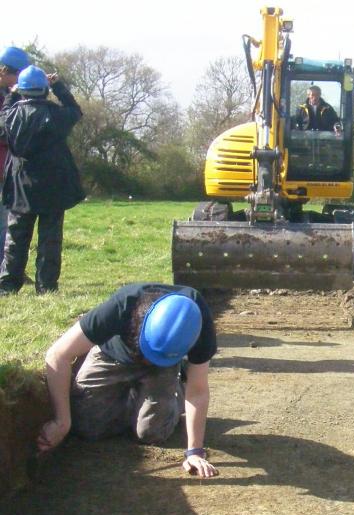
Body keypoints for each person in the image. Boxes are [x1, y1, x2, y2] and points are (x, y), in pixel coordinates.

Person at [38, 283, 219, 478]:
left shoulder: (199, 325)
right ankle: (132, 401)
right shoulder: (123, 305)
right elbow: (57, 355)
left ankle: (176, 393)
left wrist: (194, 452)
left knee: (152, 432)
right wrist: (62, 422)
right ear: (137, 324)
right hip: (112, 356)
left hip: (164, 367)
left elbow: (197, 390)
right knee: (85, 426)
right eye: (146, 354)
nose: (147, 361)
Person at [0, 65, 84, 295]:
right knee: (50, 239)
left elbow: (3, 120)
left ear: (22, 90)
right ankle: (46, 286)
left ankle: (8, 285)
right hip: (53, 185)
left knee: (16, 238)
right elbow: (75, 110)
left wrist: (11, 95)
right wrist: (58, 86)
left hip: (20, 185)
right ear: (45, 90)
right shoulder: (58, 116)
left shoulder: (11, 115)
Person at [0, 46, 30, 266]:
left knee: (6, 219)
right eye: (17, 75)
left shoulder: (8, 94)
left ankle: (5, 266)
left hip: (6, 166)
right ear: (4, 70)